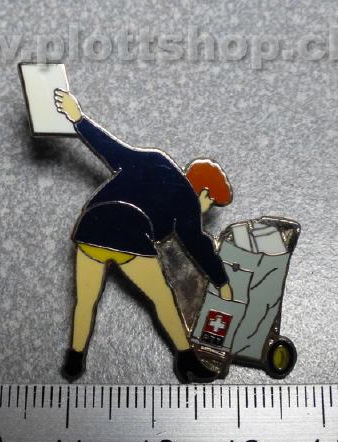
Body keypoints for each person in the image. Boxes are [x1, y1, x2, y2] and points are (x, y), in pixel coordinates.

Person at [54, 89, 233, 383]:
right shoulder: (187, 200)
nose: (207, 208)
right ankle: (187, 360)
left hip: (91, 229)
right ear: (203, 191)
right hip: (129, 238)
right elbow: (196, 243)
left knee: (85, 301)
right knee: (162, 297)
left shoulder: (155, 160)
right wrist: (221, 281)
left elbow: (111, 150)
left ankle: (74, 360)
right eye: (211, 202)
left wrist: (79, 119)